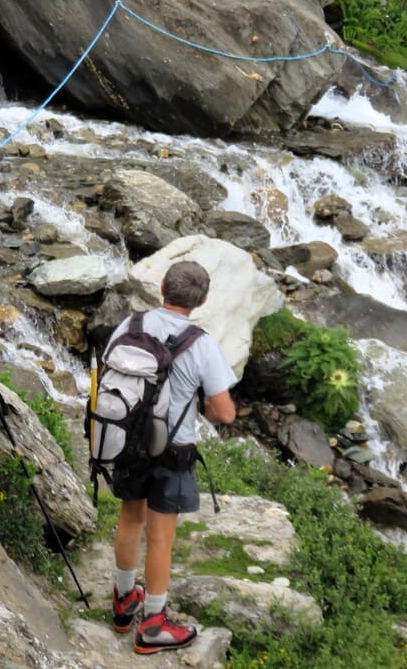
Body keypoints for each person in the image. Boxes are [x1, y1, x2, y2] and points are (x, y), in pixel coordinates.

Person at [107, 260, 236, 655]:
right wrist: (205, 409)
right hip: (172, 450)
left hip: (128, 440)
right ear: (203, 301)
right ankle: (154, 627)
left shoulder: (131, 326)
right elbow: (225, 412)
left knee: (130, 518)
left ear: (161, 286)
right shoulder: (201, 343)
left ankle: (124, 601)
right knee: (161, 538)